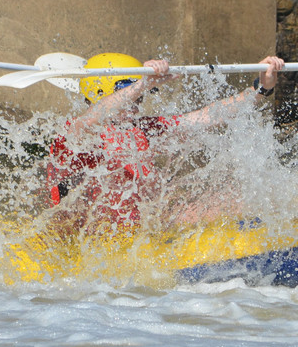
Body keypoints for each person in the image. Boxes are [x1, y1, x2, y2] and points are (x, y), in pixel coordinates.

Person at [46, 52, 285, 229]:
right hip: (85, 240)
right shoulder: (74, 136)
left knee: (234, 199)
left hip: (135, 233)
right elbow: (91, 121)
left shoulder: (144, 129)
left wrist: (261, 89)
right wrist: (141, 84)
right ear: (101, 92)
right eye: (132, 93)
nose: (138, 102)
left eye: (141, 96)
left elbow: (206, 117)